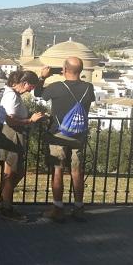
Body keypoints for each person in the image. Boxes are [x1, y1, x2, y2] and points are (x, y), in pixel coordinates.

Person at [35, 57, 95, 222]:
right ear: (81, 70)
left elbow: (38, 93)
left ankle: (58, 208)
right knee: (77, 171)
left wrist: (43, 77)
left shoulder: (56, 87)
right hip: (79, 135)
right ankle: (78, 208)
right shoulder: (89, 88)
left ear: (64, 69)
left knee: (58, 170)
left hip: (58, 135)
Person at [0, 69, 45, 222]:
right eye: (32, 87)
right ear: (25, 83)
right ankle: (6, 207)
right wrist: (31, 120)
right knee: (11, 174)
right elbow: (10, 120)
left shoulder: (12, 94)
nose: (31, 90)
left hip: (12, 134)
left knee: (15, 172)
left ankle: (4, 202)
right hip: (12, 134)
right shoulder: (11, 97)